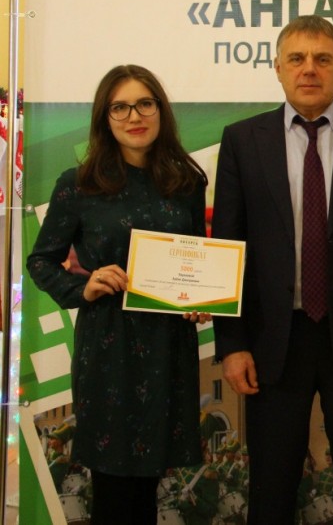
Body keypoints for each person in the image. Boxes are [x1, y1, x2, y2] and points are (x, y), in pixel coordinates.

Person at [212, 15, 333, 525]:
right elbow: (228, 247)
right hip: (272, 343)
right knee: (270, 491)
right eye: (297, 59)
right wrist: (232, 344)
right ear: (277, 67)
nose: (309, 69)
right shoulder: (242, 140)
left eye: (323, 59)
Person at [26, 64, 210, 525]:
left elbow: (197, 261)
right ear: (104, 118)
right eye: (120, 107)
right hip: (109, 348)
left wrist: (201, 301)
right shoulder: (78, 184)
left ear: (160, 110)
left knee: (149, 484)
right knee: (113, 486)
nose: (134, 116)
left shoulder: (187, 182)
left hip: (168, 346)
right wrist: (82, 286)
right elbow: (41, 261)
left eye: (145, 104)